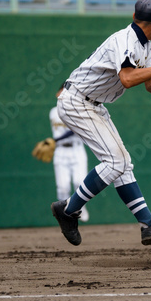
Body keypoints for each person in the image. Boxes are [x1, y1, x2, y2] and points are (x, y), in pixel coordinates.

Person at [51, 0, 151, 246]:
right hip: (77, 101)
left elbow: (150, 86)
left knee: (123, 164)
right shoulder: (124, 40)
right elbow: (127, 79)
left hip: (92, 104)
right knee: (116, 161)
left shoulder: (144, 44)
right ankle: (68, 210)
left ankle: (149, 225)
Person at [50, 83, 89, 222]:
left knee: (79, 182)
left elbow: (73, 130)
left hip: (77, 148)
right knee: (62, 186)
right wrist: (55, 142)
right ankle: (65, 217)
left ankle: (79, 207)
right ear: (58, 93)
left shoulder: (75, 110)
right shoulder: (53, 112)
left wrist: (55, 140)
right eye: (63, 91)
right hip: (60, 151)